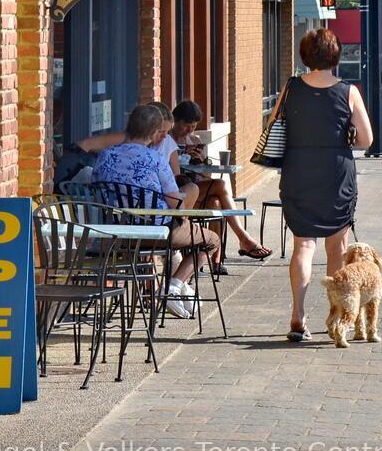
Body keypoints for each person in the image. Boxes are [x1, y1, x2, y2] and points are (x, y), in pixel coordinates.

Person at [278, 29, 374, 342]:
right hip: (336, 174)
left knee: (303, 246)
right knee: (337, 247)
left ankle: (297, 315)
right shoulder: (348, 91)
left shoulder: (291, 88)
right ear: (335, 55)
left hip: (299, 171)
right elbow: (366, 139)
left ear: (305, 55)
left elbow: (274, 127)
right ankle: (336, 317)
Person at [92, 104, 220, 319]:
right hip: (157, 231)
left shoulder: (105, 156)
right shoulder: (155, 159)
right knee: (211, 240)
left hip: (119, 232)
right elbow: (173, 201)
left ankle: (174, 284)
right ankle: (173, 286)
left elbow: (96, 186)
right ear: (153, 132)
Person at [157, 100, 272, 267]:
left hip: (196, 192)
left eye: (194, 126)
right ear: (174, 122)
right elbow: (173, 177)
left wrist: (201, 160)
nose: (189, 131)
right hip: (179, 196)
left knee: (216, 202)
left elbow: (205, 177)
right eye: (186, 125)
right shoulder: (166, 140)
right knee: (221, 186)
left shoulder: (194, 140)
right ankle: (243, 238)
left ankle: (216, 260)